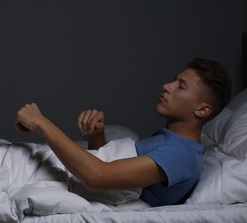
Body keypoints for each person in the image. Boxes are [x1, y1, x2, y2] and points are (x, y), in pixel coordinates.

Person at [15, 58, 232, 207]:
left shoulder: (180, 154)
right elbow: (118, 178)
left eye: (181, 86)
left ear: (202, 109)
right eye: (174, 80)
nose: (167, 86)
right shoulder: (170, 140)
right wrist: (97, 136)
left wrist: (41, 123)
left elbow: (98, 177)